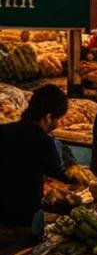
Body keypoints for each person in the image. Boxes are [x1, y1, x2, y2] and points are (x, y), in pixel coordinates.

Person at [0, 85, 73, 234]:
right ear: (48, 117)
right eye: (57, 118)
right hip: (22, 223)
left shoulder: (2, 131)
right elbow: (62, 175)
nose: (57, 124)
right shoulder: (44, 142)